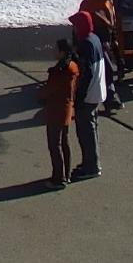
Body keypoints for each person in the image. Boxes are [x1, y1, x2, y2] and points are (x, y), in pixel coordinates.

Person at [70, 10, 107, 180]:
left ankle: (91, 166)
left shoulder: (85, 44)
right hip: (98, 91)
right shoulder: (95, 39)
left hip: (88, 94)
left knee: (85, 131)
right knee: (91, 129)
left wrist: (79, 97)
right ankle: (91, 162)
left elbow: (86, 73)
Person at [38, 39, 79, 189]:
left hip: (56, 110)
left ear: (61, 52)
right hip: (67, 109)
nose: (53, 51)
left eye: (56, 49)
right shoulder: (73, 66)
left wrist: (40, 94)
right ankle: (65, 175)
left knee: (55, 145)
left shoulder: (60, 71)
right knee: (64, 142)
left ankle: (59, 178)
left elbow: (49, 90)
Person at [77, 0, 123, 113]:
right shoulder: (89, 4)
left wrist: (113, 40)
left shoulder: (107, 0)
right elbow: (82, 25)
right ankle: (110, 99)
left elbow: (110, 20)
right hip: (94, 40)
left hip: (105, 38)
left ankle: (107, 98)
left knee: (106, 69)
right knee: (107, 69)